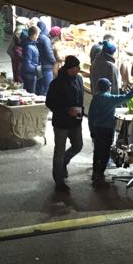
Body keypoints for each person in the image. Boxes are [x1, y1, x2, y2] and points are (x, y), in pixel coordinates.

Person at [87, 77, 133, 188]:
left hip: (97, 128)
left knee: (97, 150)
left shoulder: (95, 98)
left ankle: (95, 172)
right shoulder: (111, 98)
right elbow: (128, 97)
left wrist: (91, 130)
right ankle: (101, 174)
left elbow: (90, 116)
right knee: (106, 151)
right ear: (109, 88)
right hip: (107, 129)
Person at [45, 55, 84, 191]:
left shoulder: (79, 79)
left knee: (78, 146)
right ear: (69, 69)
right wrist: (67, 110)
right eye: (76, 68)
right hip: (61, 123)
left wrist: (79, 113)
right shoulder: (56, 83)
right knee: (59, 152)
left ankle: (63, 164)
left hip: (76, 121)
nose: (78, 70)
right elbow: (49, 102)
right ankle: (59, 180)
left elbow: (80, 98)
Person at [33, 21, 56, 96]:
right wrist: (54, 61)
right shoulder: (45, 39)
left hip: (39, 65)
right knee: (47, 87)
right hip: (47, 66)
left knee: (40, 85)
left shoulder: (37, 37)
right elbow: (48, 53)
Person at [21, 28, 41, 94]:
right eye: (38, 34)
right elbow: (27, 64)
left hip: (30, 74)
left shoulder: (31, 44)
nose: (38, 36)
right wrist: (37, 69)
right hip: (29, 75)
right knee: (30, 94)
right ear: (34, 35)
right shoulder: (29, 47)